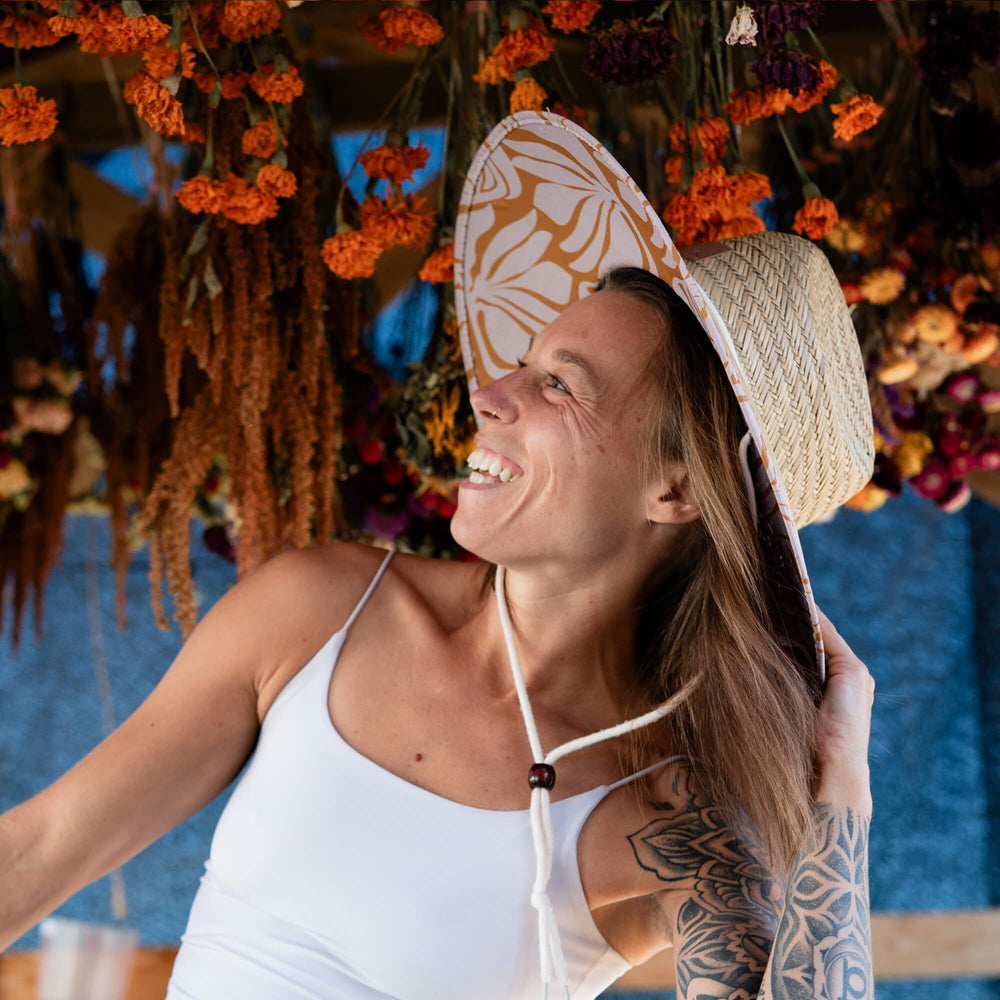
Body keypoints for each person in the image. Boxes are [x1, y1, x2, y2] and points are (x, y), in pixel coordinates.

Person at [0, 111, 876, 1000]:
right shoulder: (322, 609)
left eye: (559, 385)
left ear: (678, 491)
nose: (491, 395)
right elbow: (39, 849)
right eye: (522, 365)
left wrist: (842, 791)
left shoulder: (675, 810)